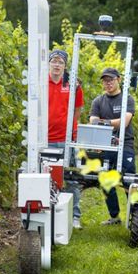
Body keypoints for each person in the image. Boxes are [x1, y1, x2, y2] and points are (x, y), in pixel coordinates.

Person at [89, 68, 137, 226]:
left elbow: (124, 122)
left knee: (129, 178)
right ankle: (115, 216)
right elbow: (92, 122)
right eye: (105, 80)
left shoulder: (127, 99)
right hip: (104, 145)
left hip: (125, 144)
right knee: (105, 180)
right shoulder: (98, 101)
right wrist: (109, 123)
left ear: (118, 79)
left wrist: (104, 122)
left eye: (111, 80)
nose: (108, 83)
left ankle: (135, 214)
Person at [47, 49, 84, 229]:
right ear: (48, 64)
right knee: (47, 177)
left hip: (67, 139)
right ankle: (49, 212)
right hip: (45, 139)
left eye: (60, 62)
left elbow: (77, 110)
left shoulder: (73, 85)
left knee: (72, 177)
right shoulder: (41, 83)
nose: (56, 65)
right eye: (54, 61)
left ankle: (75, 216)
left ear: (65, 66)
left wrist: (71, 130)